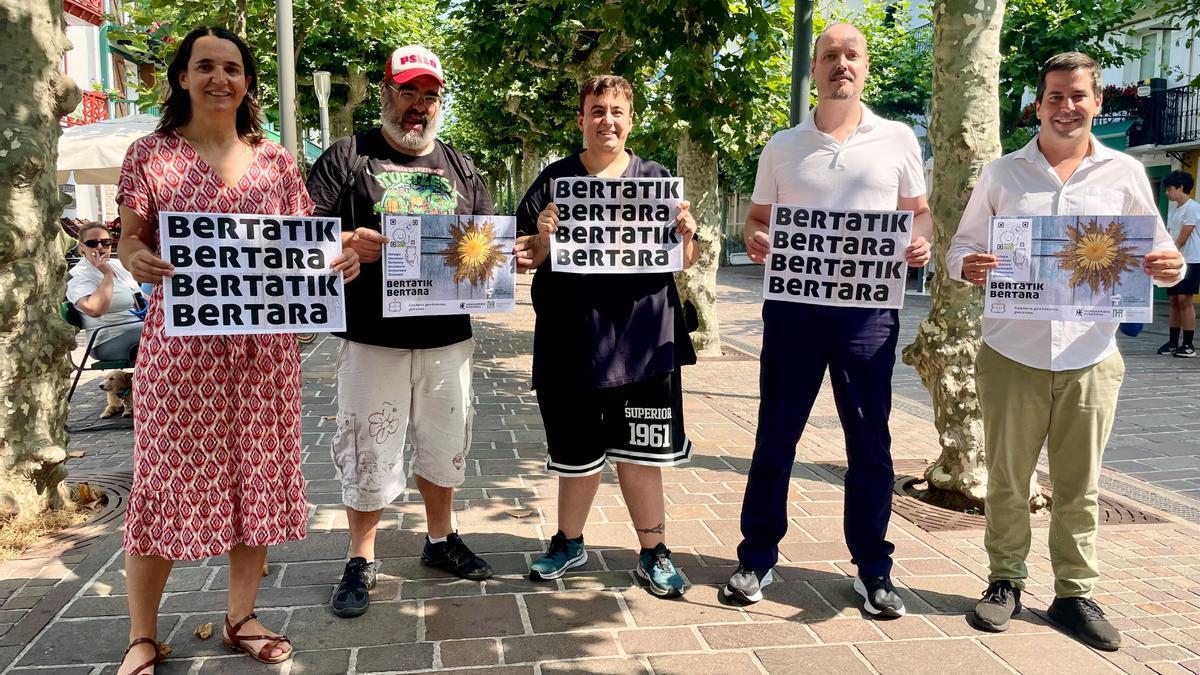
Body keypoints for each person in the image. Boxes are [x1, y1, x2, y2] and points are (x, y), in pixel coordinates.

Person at [114, 27, 359, 674]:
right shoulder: (150, 154)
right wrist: (136, 256)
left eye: (232, 67)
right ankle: (142, 634)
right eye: (205, 67)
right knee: (160, 485)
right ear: (182, 78)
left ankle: (241, 616)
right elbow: (129, 239)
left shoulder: (277, 160)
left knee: (258, 482)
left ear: (248, 81)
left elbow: (307, 245)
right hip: (179, 352)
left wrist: (339, 260)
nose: (219, 78)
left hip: (263, 353)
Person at [949, 52, 1184, 651]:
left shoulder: (1127, 174)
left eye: (1078, 95)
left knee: (1081, 483)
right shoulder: (1003, 173)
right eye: (1055, 95)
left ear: (1097, 102)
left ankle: (1074, 592)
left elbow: (1158, 255)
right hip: (1011, 351)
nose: (1066, 106)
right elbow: (961, 249)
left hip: (1091, 354)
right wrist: (969, 265)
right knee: (1007, 478)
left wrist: (1169, 266)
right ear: (1039, 103)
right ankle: (1004, 581)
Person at [724, 23, 932, 617]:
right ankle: (757, 556)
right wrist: (760, 238)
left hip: (869, 314)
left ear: (865, 68)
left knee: (870, 442)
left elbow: (918, 217)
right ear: (813, 70)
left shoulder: (898, 141)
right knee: (776, 435)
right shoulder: (782, 146)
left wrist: (918, 244)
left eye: (851, 55)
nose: (841, 64)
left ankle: (873, 568)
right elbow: (758, 220)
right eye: (829, 56)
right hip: (793, 310)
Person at [305, 45, 496, 619]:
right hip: (371, 339)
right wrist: (341, 242)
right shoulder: (347, 156)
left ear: (440, 102)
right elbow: (302, 234)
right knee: (367, 447)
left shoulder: (462, 167)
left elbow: (483, 248)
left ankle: (440, 541)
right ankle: (360, 557)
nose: (418, 105)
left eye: (429, 95)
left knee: (446, 445)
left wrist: (505, 258)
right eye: (408, 91)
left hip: (447, 342)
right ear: (385, 92)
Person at [512, 75, 700, 598]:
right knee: (575, 453)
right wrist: (542, 237)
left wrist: (688, 237)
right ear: (581, 119)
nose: (607, 120)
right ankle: (568, 541)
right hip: (572, 342)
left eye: (617, 110)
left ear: (631, 118)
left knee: (641, 455)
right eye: (597, 110)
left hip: (644, 343)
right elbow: (522, 259)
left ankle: (654, 551)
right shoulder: (553, 181)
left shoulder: (657, 179)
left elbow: (683, 261)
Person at [65, 222, 145, 363]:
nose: (100, 247)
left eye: (105, 242)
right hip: (108, 339)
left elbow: (141, 297)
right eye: (92, 243)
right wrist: (107, 276)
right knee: (163, 337)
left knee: (179, 331)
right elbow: (94, 309)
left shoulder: (118, 265)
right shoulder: (79, 274)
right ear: (82, 247)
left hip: (138, 327)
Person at [1160, 170, 1200, 357]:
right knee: (1174, 301)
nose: (1167, 193)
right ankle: (1173, 342)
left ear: (1180, 188)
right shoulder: (1174, 210)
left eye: (1170, 189)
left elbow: (1183, 237)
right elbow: (1169, 235)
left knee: (1185, 300)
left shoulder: (1193, 208)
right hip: (1175, 259)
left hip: (1190, 260)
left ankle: (1189, 345)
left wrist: (1170, 254)